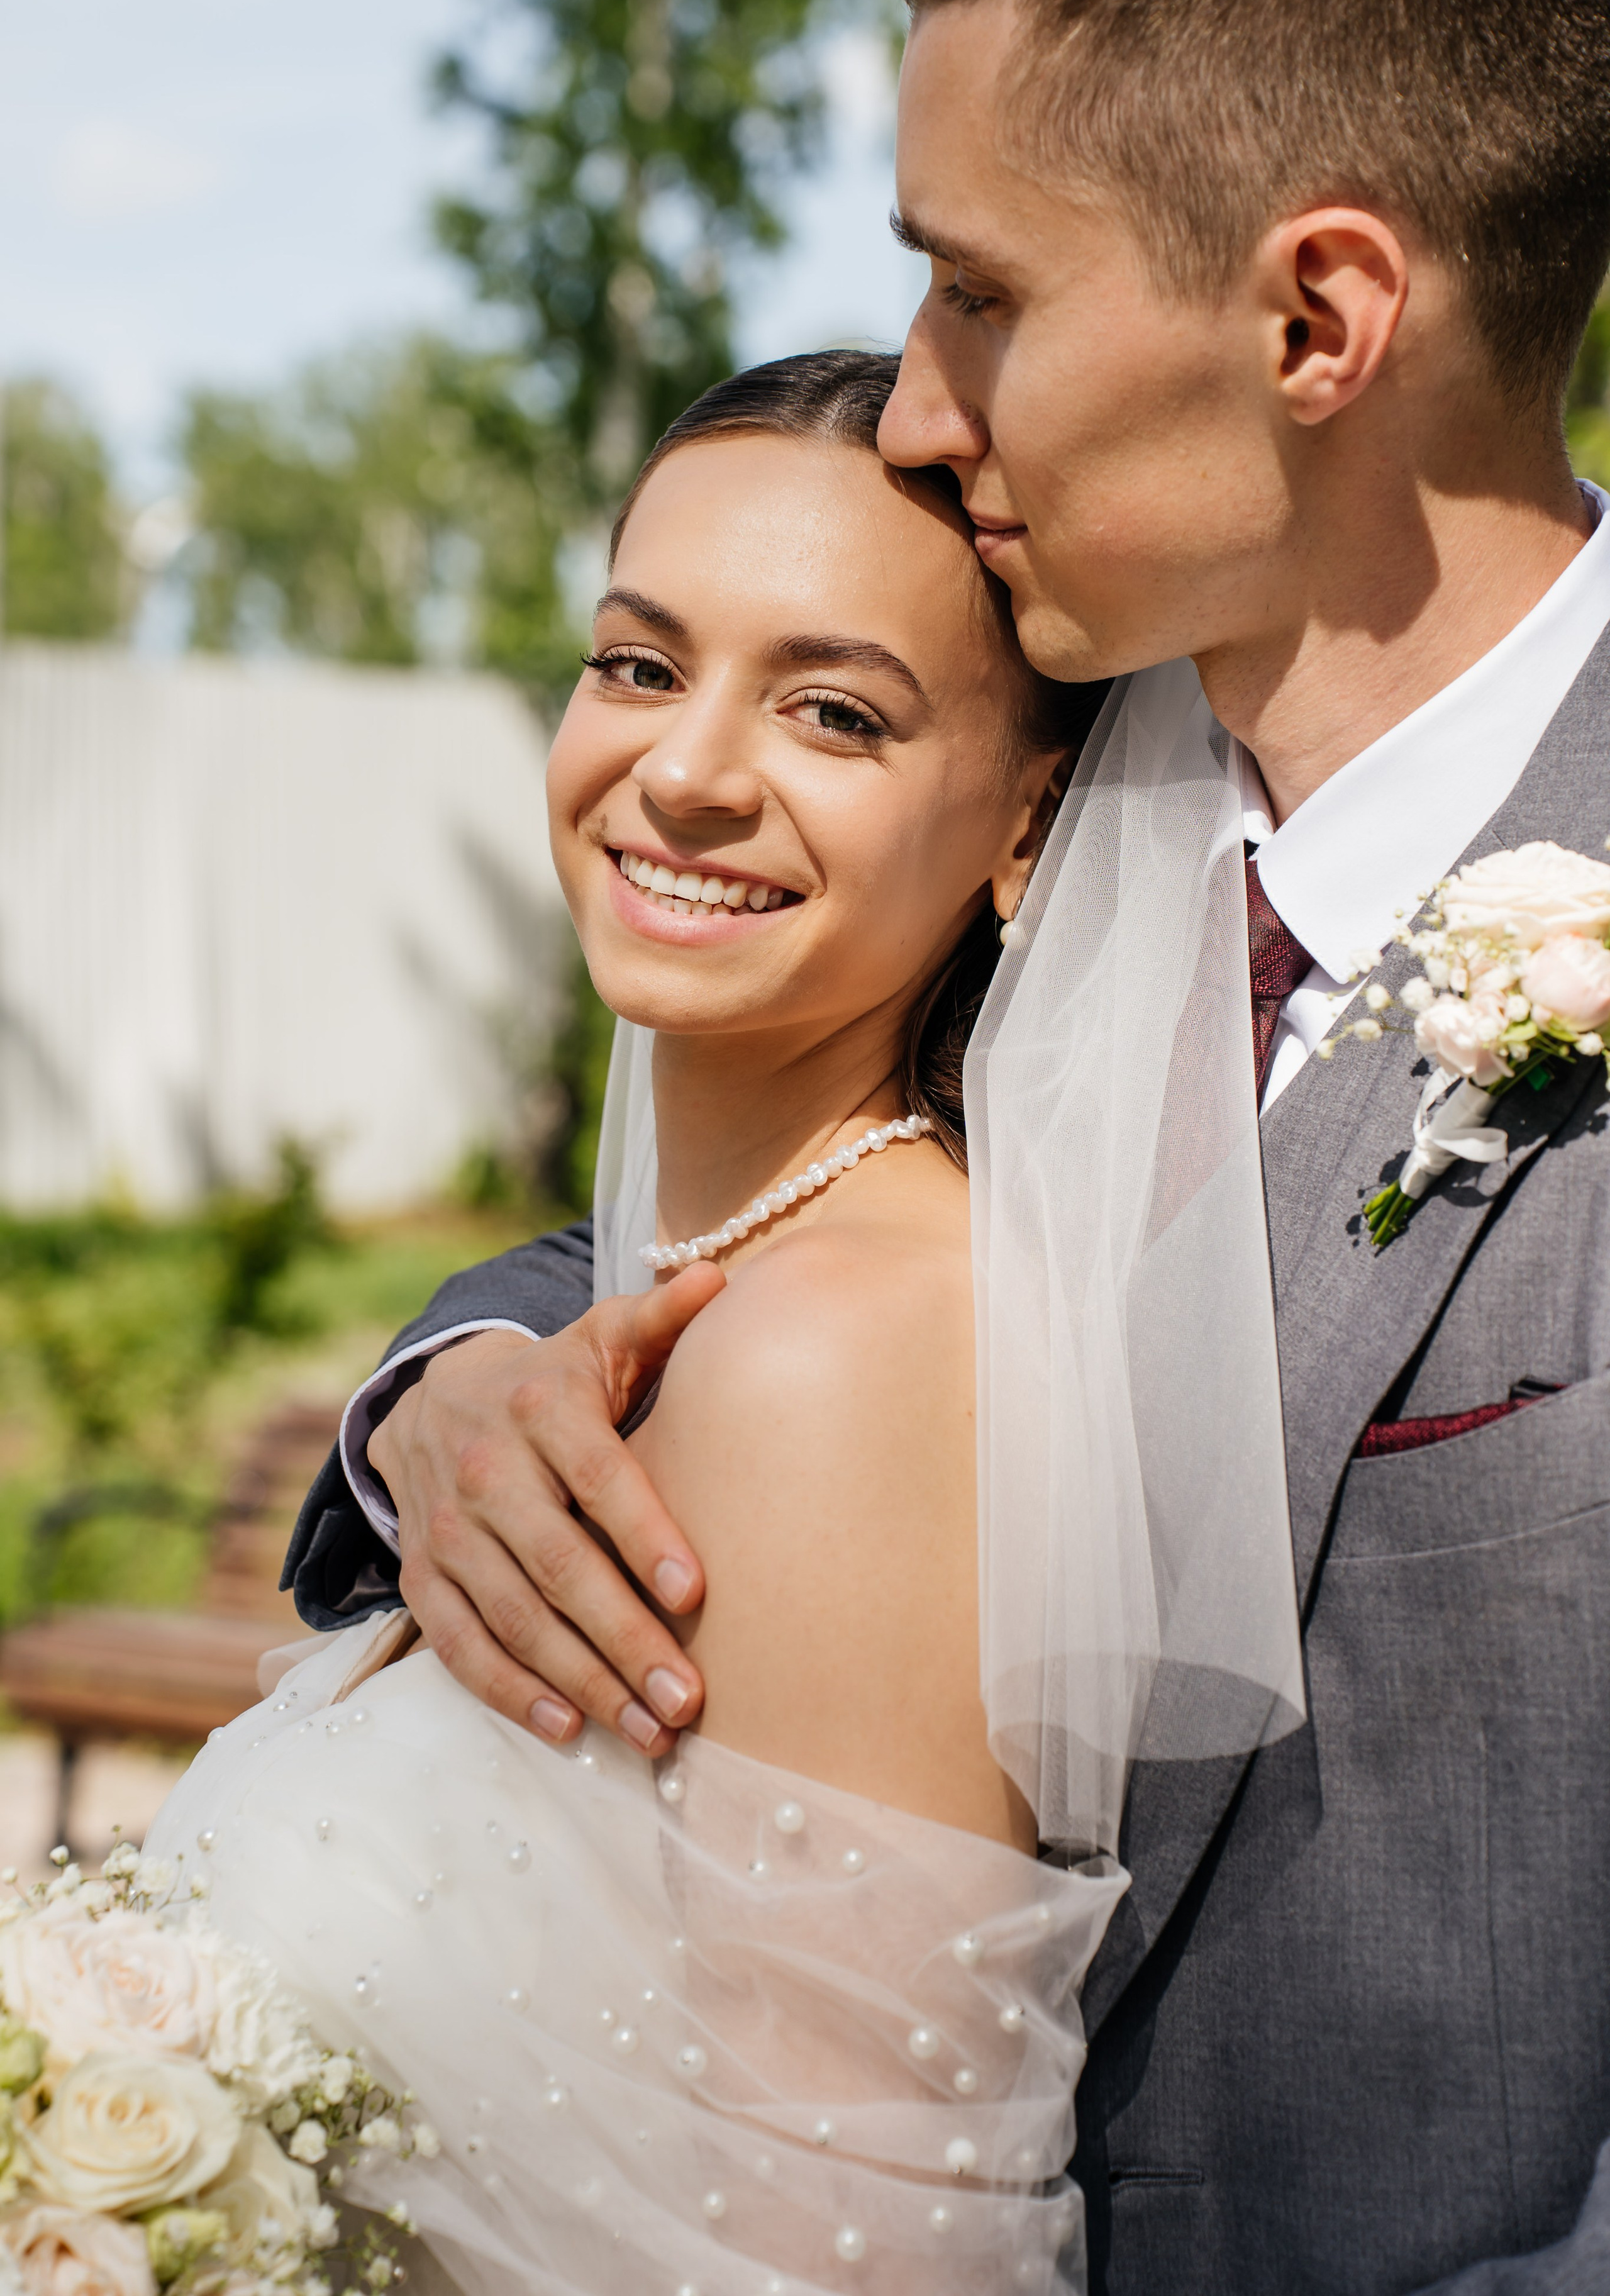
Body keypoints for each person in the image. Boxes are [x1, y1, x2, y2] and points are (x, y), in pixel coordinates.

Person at [286, 0, 1610, 2289]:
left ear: (1320, 316)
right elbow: (816, 1210)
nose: (909, 400)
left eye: (978, 291)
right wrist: (459, 1385)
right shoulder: (1048, 822)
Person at [162, 352, 1297, 2294]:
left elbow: (845, 2251)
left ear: (1032, 821)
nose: (684, 769)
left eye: (834, 710)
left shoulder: (848, 1351)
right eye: (636, 662)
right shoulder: (709, 1283)